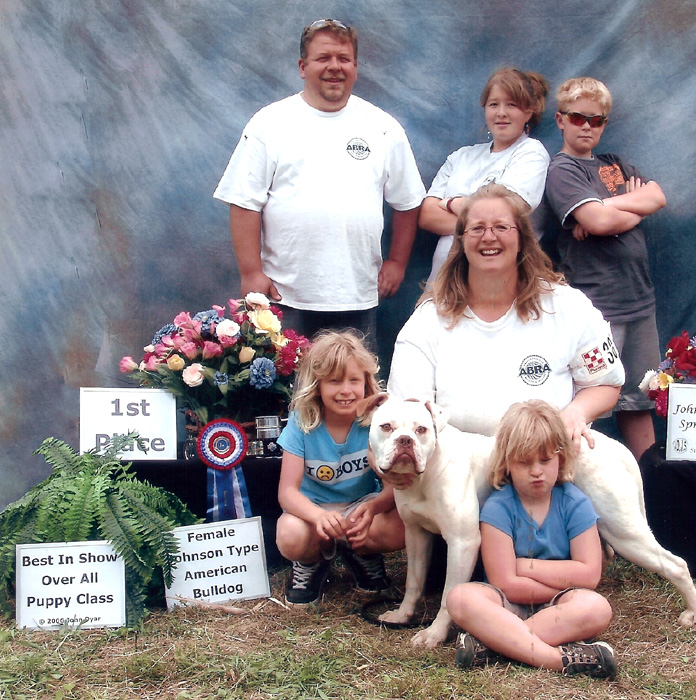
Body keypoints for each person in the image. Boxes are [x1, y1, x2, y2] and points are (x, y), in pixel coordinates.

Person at [214, 19, 425, 342]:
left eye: (343, 58)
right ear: (303, 66)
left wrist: (396, 262)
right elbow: (244, 201)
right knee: (283, 392)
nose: (334, 67)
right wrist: (251, 272)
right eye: (323, 58)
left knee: (351, 391)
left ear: (355, 66)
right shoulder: (269, 123)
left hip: (356, 294)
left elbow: (408, 202)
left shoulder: (383, 127)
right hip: (282, 296)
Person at [388, 182, 625, 444]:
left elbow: (605, 382)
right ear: (462, 241)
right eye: (477, 228)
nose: (489, 237)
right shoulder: (427, 321)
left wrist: (575, 413)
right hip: (457, 475)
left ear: (523, 239)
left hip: (547, 469)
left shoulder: (569, 307)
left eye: (501, 227)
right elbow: (405, 412)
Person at [446, 400, 617, 677]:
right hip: (504, 604)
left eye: (545, 460)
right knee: (461, 598)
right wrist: (563, 578)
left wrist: (526, 567)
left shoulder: (575, 503)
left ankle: (493, 644)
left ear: (561, 458)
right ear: (507, 463)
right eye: (524, 462)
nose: (536, 471)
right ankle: (557, 659)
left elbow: (589, 576)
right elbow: (506, 584)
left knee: (596, 607)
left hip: (559, 603)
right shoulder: (498, 507)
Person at [544, 77, 666, 460]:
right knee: (588, 400)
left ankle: (649, 484)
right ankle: (575, 492)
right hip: (597, 305)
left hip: (639, 300)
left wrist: (608, 206)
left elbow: (657, 196)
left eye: (595, 121)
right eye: (578, 118)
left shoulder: (614, 165)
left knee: (639, 398)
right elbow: (596, 223)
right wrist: (626, 204)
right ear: (560, 119)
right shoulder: (561, 171)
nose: (586, 126)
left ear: (604, 124)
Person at [275, 330, 405, 604]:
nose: (346, 390)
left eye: (354, 380)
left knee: (401, 525)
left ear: (366, 382)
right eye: (334, 382)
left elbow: (395, 487)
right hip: (315, 511)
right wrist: (317, 516)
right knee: (289, 533)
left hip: (361, 506)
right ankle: (311, 561)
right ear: (317, 385)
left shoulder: (377, 422)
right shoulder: (302, 422)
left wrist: (373, 508)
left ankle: (362, 553)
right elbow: (287, 492)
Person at [419, 68, 550, 283]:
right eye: (494, 104)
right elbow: (427, 216)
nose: (501, 113)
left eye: (512, 105)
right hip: (442, 285)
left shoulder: (531, 153)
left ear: (528, 112)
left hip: (499, 286)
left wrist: (450, 203)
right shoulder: (461, 156)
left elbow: (508, 210)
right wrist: (484, 222)